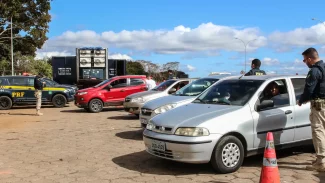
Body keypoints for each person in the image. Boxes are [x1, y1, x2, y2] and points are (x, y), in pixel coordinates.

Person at [298, 47, 325, 171]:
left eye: (304, 60)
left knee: (318, 131)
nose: (305, 63)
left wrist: (301, 100)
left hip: (319, 106)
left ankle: (321, 161)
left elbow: (309, 89)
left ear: (310, 58)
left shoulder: (314, 70)